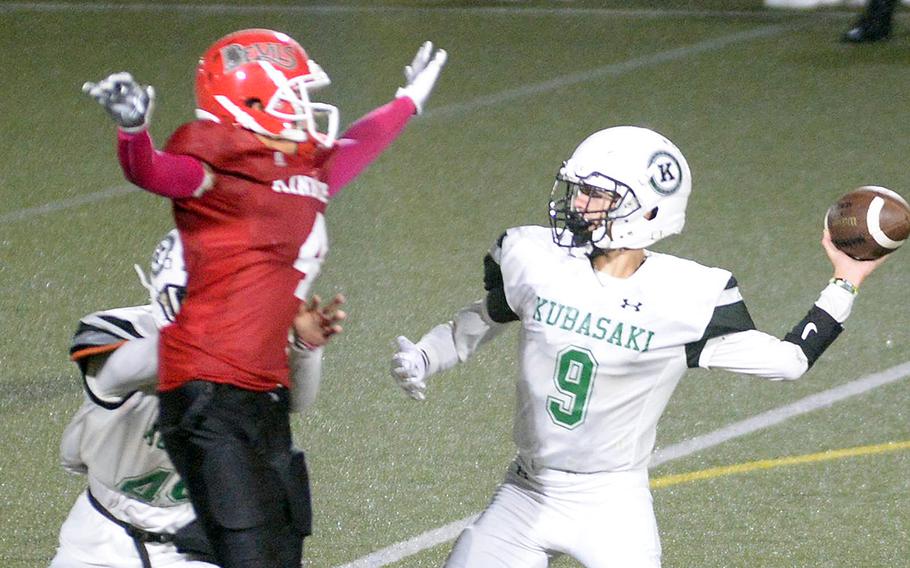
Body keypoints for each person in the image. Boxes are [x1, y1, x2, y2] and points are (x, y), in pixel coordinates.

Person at [390, 126, 887, 567]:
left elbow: (789, 362)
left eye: (597, 195)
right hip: (526, 489)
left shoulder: (685, 297)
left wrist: (844, 282)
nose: (578, 204)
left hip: (611, 504)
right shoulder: (535, 258)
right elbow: (488, 315)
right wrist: (428, 354)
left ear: (650, 209)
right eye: (580, 189)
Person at [83, 29, 445, 567]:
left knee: (280, 553)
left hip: (262, 392)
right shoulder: (214, 164)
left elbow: (355, 148)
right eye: (289, 95)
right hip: (207, 391)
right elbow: (155, 171)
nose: (302, 107)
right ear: (246, 102)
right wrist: (134, 130)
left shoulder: (297, 170)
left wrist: (406, 103)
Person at [51, 230, 345, 568]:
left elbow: (296, 402)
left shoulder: (241, 340)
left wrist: (303, 348)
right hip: (102, 534)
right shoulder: (122, 333)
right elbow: (130, 368)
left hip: (191, 538)